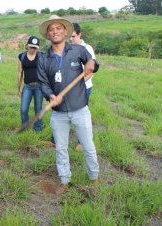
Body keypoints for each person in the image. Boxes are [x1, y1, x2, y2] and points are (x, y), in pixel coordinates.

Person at [38, 15, 100, 195]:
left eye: (58, 28)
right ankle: (65, 180)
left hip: (80, 108)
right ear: (48, 35)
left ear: (65, 31)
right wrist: (50, 95)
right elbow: (43, 83)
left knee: (88, 146)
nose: (55, 31)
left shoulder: (78, 50)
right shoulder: (44, 58)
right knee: (61, 148)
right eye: (51, 29)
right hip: (58, 113)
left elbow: (93, 64)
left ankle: (94, 178)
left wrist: (91, 64)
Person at [69, 22, 96, 151]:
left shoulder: (87, 48)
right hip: (68, 87)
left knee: (80, 115)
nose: (70, 39)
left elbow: (90, 71)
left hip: (83, 88)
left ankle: (81, 142)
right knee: (63, 113)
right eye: (69, 36)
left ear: (79, 34)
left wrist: (78, 84)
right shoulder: (67, 48)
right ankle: (55, 140)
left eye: (73, 36)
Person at [17, 36, 43, 132]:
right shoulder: (22, 56)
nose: (33, 49)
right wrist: (18, 88)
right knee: (23, 109)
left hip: (39, 87)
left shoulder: (41, 56)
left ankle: (38, 129)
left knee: (38, 109)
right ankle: (25, 127)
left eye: (35, 47)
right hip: (27, 86)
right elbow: (20, 72)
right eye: (31, 47)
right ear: (27, 45)